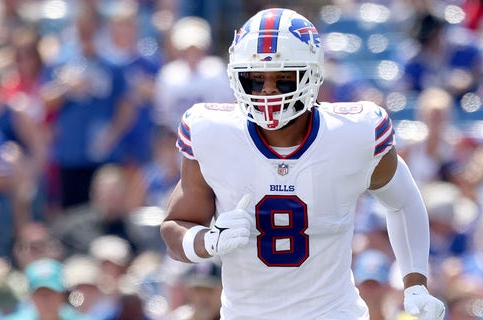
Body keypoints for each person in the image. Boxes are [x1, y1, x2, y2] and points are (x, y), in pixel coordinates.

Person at [160, 8, 445, 320]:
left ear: (311, 74)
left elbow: (403, 202)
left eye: (283, 78)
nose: (267, 89)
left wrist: (415, 282)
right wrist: (207, 241)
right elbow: (176, 226)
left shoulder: (354, 134)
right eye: (254, 78)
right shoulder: (212, 133)